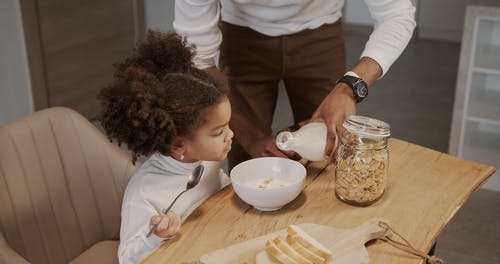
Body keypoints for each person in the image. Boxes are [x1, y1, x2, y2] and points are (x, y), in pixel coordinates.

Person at [173, 0, 416, 168]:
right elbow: (198, 58)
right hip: (241, 40)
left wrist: (350, 86)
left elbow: (396, 14)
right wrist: (251, 139)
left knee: (329, 153)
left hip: (320, 32)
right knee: (244, 158)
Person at [98, 31, 233, 264]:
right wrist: (156, 236)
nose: (231, 135)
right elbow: (126, 258)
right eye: (219, 132)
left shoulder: (207, 159)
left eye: (228, 126)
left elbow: (215, 183)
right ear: (178, 143)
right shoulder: (145, 193)